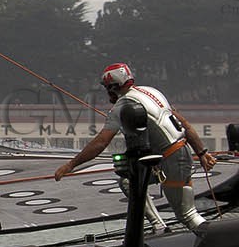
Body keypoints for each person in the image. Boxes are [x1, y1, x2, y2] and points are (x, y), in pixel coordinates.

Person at [54, 63, 217, 231]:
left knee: (187, 215)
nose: (106, 92)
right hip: (178, 154)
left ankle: (215, 238)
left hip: (171, 160)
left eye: (107, 88)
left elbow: (101, 142)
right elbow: (183, 124)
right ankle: (159, 226)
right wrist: (202, 152)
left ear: (113, 87)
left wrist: (70, 165)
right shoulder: (152, 92)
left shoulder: (122, 106)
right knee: (129, 182)